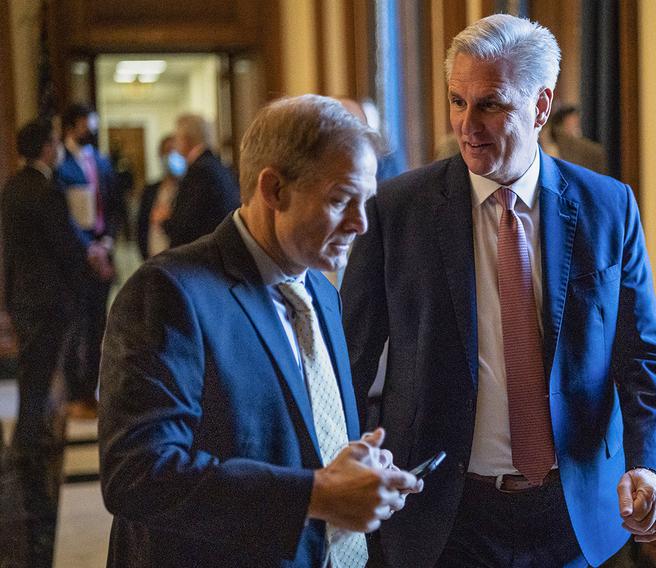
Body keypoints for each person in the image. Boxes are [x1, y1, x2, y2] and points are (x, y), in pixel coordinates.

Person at [341, 14, 656, 567]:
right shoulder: (397, 211)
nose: (467, 125)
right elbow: (351, 362)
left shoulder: (607, 207)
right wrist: (344, 478)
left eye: (490, 104)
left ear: (541, 106)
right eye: (457, 101)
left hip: (575, 513)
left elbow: (644, 354)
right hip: (445, 516)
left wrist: (649, 467)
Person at [98, 95, 421, 568]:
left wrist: (354, 469)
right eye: (339, 201)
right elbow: (138, 473)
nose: (361, 224)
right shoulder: (171, 293)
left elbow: (294, 437)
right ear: (273, 189)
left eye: (365, 202)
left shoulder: (322, 292)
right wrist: (315, 494)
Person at [1, 118, 110, 566]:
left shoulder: (10, 187)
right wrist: (92, 262)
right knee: (41, 367)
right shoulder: (44, 190)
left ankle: (31, 433)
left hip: (25, 296)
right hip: (48, 297)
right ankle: (29, 439)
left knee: (36, 366)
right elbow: (63, 241)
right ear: (46, 148)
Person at [56, 103, 117, 419]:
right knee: (76, 325)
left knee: (97, 326)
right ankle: (74, 392)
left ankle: (91, 391)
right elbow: (61, 216)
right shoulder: (59, 165)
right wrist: (86, 249)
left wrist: (107, 242)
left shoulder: (102, 161)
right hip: (77, 259)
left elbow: (113, 206)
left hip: (102, 250)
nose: (90, 131)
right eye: (84, 125)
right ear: (71, 127)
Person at [159, 113, 241, 248]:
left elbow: (187, 226)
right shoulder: (218, 165)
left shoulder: (199, 171)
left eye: (176, 138)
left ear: (185, 139)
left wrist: (165, 220)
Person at [136, 134, 185, 259]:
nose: (171, 156)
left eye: (175, 151)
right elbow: (141, 224)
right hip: (154, 259)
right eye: (167, 151)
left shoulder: (189, 190)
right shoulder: (150, 190)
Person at [543, 105, 608, 174]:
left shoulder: (585, 147)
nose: (577, 124)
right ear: (562, 124)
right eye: (573, 122)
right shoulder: (554, 142)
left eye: (577, 122)